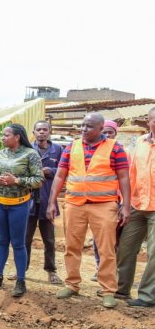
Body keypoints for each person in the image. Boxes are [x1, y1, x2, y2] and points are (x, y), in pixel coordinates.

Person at [47, 113, 130, 308]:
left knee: (106, 249)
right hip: (75, 203)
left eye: (89, 126)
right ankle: (72, 284)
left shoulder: (115, 148)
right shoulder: (72, 146)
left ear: (101, 129)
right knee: (72, 246)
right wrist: (52, 202)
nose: (84, 129)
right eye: (82, 125)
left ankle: (108, 290)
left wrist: (126, 205)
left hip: (104, 205)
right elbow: (60, 175)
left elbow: (124, 177)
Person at [0, 124, 44, 297]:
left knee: (18, 243)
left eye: (6, 135)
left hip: (19, 204)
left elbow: (39, 180)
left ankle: (20, 281)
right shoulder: (0, 154)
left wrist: (16, 181)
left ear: (17, 137)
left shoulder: (30, 154)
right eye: (2, 135)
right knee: (1, 241)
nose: (2, 138)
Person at [116, 108, 155, 308]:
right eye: (152, 120)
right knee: (126, 247)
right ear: (148, 121)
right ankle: (121, 289)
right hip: (137, 204)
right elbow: (131, 173)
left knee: (154, 254)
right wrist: (125, 202)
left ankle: (148, 296)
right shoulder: (140, 143)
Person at [18, 120, 64, 284]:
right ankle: (22, 270)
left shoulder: (58, 149)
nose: (42, 132)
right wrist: (36, 172)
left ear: (50, 131)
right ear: (34, 132)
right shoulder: (27, 150)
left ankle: (51, 271)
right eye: (39, 130)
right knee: (25, 239)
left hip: (48, 200)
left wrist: (50, 170)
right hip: (29, 200)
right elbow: (21, 172)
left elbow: (64, 169)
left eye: (45, 129)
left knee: (49, 240)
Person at [92, 119, 122, 280]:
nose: (108, 135)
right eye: (105, 132)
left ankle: (112, 271)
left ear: (115, 134)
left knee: (114, 240)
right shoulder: (96, 151)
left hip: (117, 201)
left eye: (111, 132)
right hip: (98, 201)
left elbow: (126, 178)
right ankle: (99, 269)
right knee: (99, 239)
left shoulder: (120, 150)